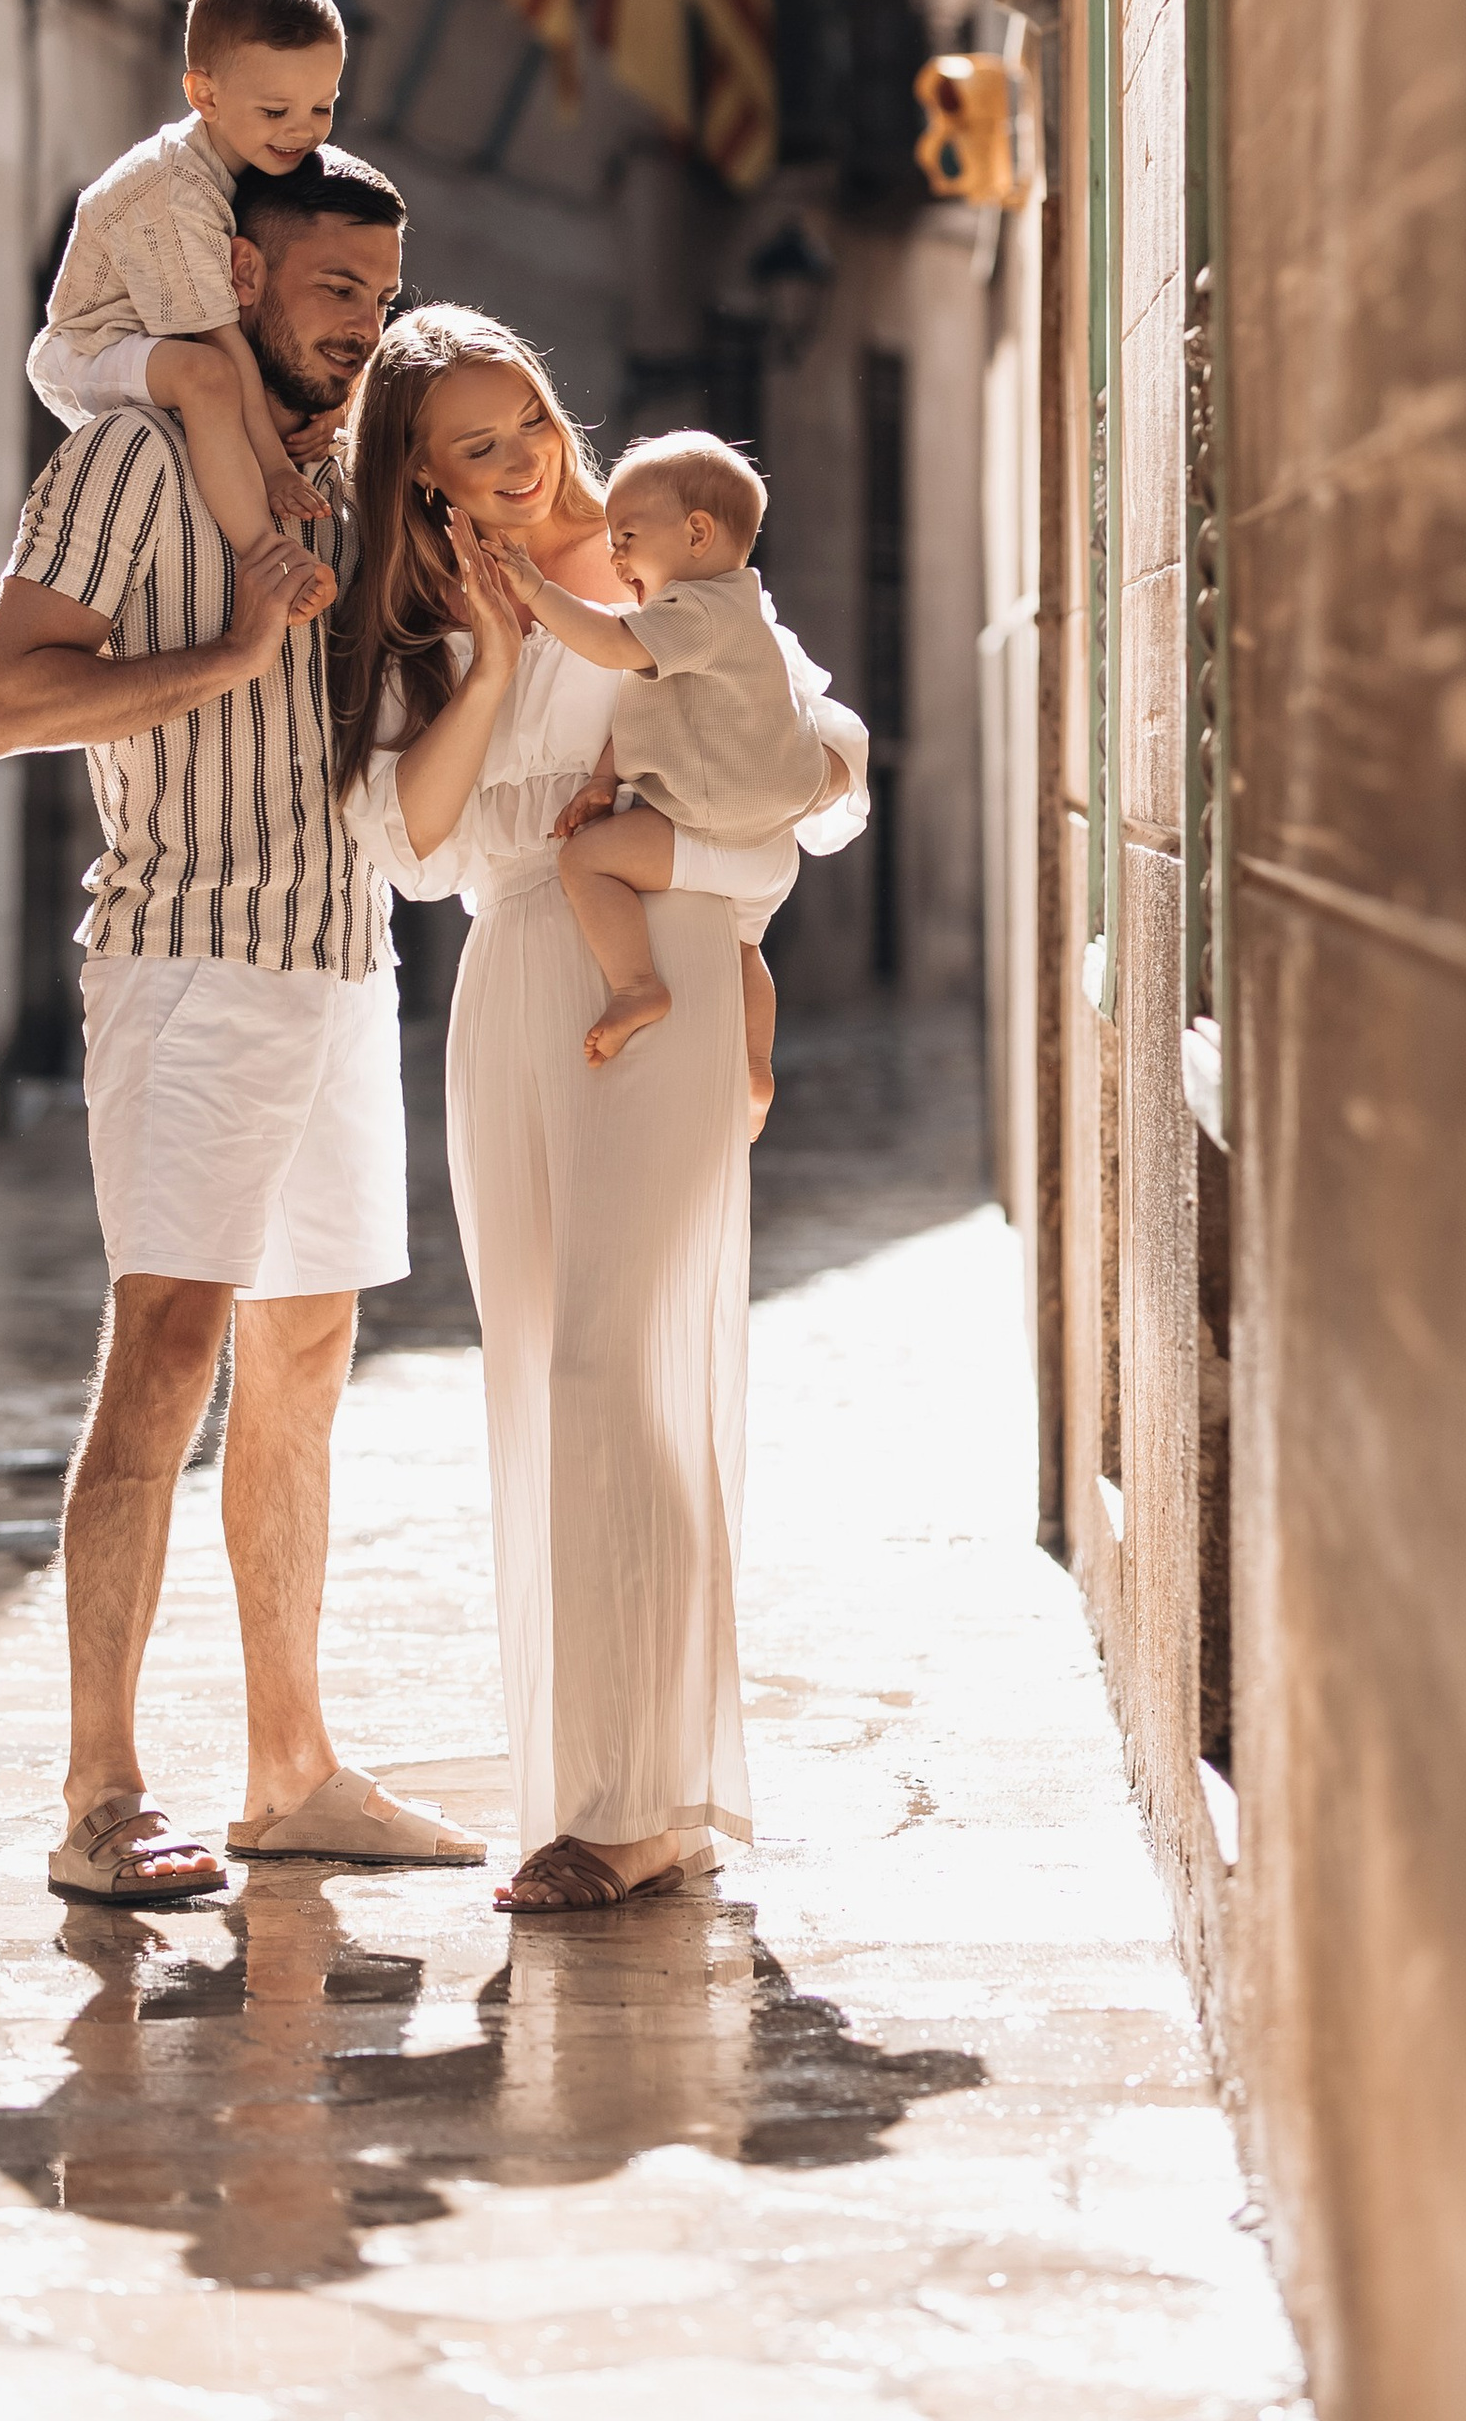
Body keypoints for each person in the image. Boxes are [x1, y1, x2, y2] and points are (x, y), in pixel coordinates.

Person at [0, 145, 483, 1908]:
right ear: (246, 278)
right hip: (186, 960)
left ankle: (288, 1768)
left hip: (343, 962)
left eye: (384, 299)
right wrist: (223, 656)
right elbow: (4, 699)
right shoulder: (124, 460)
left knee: (308, 1359)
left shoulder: (353, 483)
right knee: (166, 1348)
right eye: (338, 289)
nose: (365, 327)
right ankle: (98, 1794)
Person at [330, 307, 868, 1917]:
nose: (519, 466)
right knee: (548, 1382)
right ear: (418, 480)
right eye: (473, 451)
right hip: (513, 988)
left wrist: (707, 820)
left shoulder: (662, 563)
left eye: (529, 427)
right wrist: (498, 665)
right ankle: (605, 1789)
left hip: (671, 975)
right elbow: (410, 846)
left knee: (617, 1358)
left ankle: (649, 1800)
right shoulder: (417, 620)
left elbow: (828, 773)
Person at [488, 429, 844, 1136]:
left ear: (697, 533)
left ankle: (636, 985)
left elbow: (610, 645)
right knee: (744, 950)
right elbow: (649, 707)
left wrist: (535, 587)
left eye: (626, 535)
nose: (614, 555)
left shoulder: (696, 612)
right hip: (769, 851)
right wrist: (601, 780)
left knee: (584, 860)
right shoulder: (736, 617)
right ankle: (754, 1065)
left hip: (714, 826)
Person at [29, 0, 348, 554]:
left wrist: (337, 399)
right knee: (207, 376)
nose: (302, 132)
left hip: (169, 335)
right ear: (205, 94)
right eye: (276, 111)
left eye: (323, 108)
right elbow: (221, 345)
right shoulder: (175, 194)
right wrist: (276, 467)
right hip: (93, 345)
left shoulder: (264, 158)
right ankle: (262, 552)